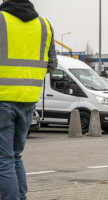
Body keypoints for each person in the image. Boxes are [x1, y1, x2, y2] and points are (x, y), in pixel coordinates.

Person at [0, 0, 57, 199]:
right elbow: (52, 66)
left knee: (3, 159)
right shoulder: (45, 25)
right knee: (15, 156)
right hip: (29, 99)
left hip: (2, 99)